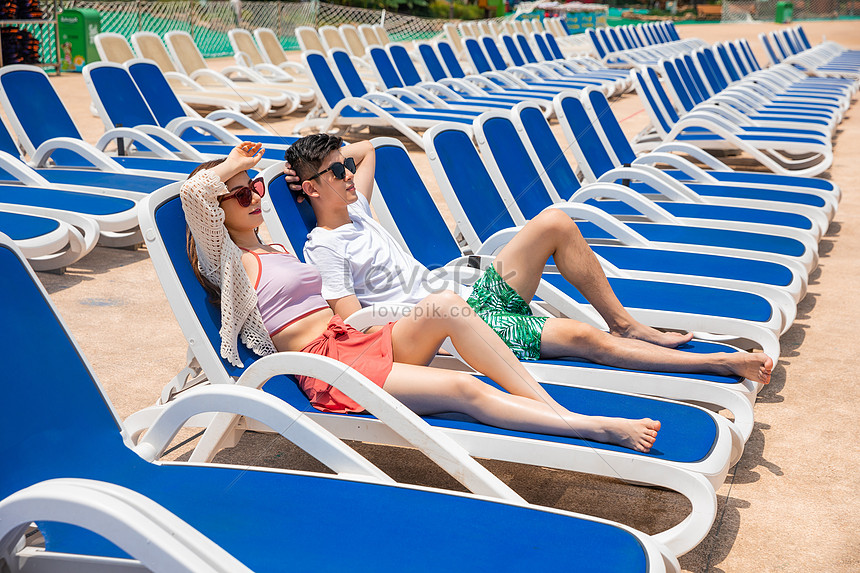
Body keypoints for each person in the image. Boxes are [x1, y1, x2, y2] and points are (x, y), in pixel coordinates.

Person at [180, 141, 661, 452]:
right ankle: (588, 426)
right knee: (465, 390)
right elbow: (193, 196)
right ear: (216, 212)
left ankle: (557, 411)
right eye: (241, 194)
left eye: (257, 187)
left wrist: (306, 176)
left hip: (351, 342)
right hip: (324, 367)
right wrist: (235, 165)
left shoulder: (275, 245)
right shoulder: (231, 263)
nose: (256, 196)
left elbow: (368, 152)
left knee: (447, 305)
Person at [284, 134, 773, 383]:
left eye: (346, 168)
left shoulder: (359, 208)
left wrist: (326, 163)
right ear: (309, 188)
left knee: (555, 222)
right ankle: (718, 364)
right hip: (452, 322)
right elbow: (357, 326)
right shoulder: (325, 245)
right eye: (335, 172)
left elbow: (372, 150)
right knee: (582, 338)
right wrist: (439, 316)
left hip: (468, 290)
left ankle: (624, 322)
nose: (350, 173)